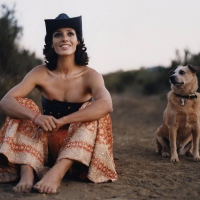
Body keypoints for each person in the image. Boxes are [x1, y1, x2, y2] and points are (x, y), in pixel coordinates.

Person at [0, 13, 118, 194]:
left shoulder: (90, 75)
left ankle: (57, 172)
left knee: (96, 112)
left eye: (70, 33)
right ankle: (27, 172)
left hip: (77, 148)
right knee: (24, 104)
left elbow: (106, 104)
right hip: (44, 143)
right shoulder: (40, 72)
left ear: (78, 40)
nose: (64, 38)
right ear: (51, 42)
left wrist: (62, 121)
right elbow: (5, 101)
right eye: (58, 34)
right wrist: (36, 117)